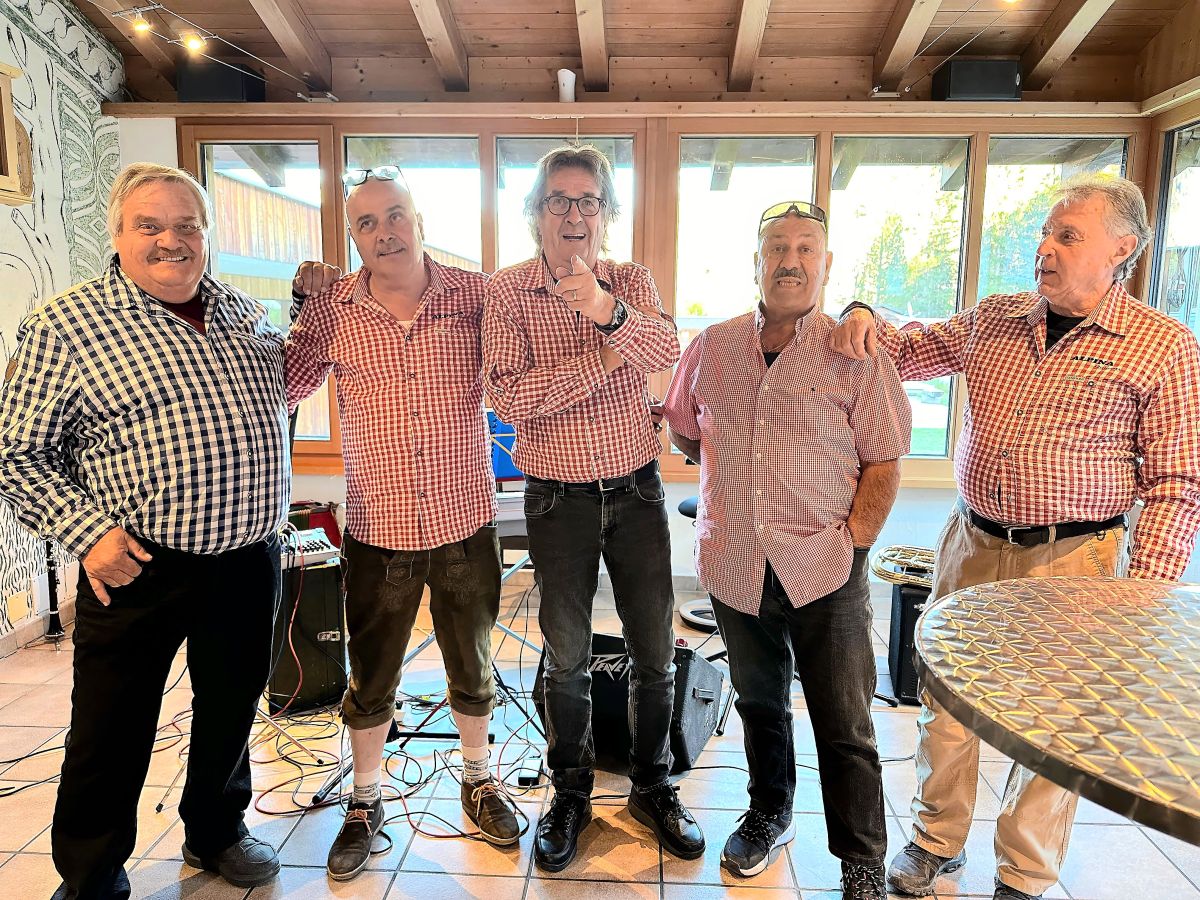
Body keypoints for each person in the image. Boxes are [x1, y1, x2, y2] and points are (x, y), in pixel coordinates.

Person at [831, 174, 1200, 900]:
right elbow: (902, 351)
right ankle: (935, 841)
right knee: (947, 705)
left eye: (1068, 235)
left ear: (1121, 249)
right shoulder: (995, 318)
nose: (1045, 248)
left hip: (1075, 560)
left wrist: (1143, 599)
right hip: (972, 543)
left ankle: (1023, 875)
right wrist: (859, 311)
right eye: (1045, 233)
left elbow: (1177, 483)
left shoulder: (1163, 347)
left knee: (1053, 727)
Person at [0, 163, 287, 899]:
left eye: (187, 225)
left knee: (231, 708)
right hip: (135, 563)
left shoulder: (243, 314)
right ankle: (91, 874)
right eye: (149, 225)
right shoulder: (66, 325)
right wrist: (87, 533)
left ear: (206, 235)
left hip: (248, 558)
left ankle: (216, 830)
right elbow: (16, 452)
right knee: (111, 728)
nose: (171, 240)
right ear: (118, 235)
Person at [662, 201, 910, 899]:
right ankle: (769, 812)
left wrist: (853, 541)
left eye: (806, 248)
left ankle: (862, 862)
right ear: (757, 263)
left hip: (825, 563)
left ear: (826, 265)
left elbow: (884, 458)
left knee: (845, 721)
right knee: (760, 703)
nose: (790, 260)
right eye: (777, 247)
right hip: (735, 562)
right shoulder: (712, 346)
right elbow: (684, 428)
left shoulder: (854, 351)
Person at [285, 166, 520, 882]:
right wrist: (299, 300)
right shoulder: (333, 308)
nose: (384, 232)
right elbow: (286, 384)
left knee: (472, 662)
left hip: (462, 518)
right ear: (353, 238)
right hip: (378, 524)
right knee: (372, 672)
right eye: (367, 222)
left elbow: (524, 362)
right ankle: (365, 799)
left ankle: (478, 778)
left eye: (395, 215)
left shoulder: (477, 295)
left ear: (419, 220)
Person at [481, 144, 703, 872]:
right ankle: (570, 792)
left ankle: (653, 785)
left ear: (605, 214)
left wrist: (606, 310)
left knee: (654, 650)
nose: (574, 214)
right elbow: (509, 398)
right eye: (559, 200)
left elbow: (664, 348)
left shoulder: (629, 280)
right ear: (535, 212)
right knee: (567, 656)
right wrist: (607, 356)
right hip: (557, 500)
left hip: (637, 491)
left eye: (588, 201)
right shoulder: (509, 291)